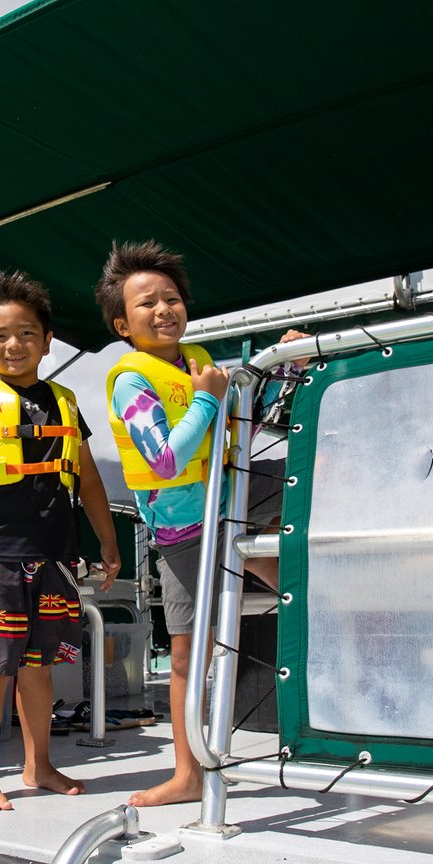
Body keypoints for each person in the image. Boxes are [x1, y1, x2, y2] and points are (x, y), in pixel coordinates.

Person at [94, 239, 307, 808]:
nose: (164, 310)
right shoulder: (130, 380)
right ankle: (187, 775)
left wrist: (284, 365)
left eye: (172, 299)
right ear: (122, 323)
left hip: (230, 503)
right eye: (147, 304)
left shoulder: (198, 364)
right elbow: (162, 458)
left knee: (307, 498)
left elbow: (242, 422)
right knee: (188, 656)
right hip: (184, 531)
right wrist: (210, 400)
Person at [0, 270, 121, 811]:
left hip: (56, 552)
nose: (13, 345)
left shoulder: (64, 401)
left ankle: (39, 766)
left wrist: (108, 543)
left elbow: (86, 479)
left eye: (26, 334)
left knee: (39, 665)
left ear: (46, 340)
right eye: (1, 336)